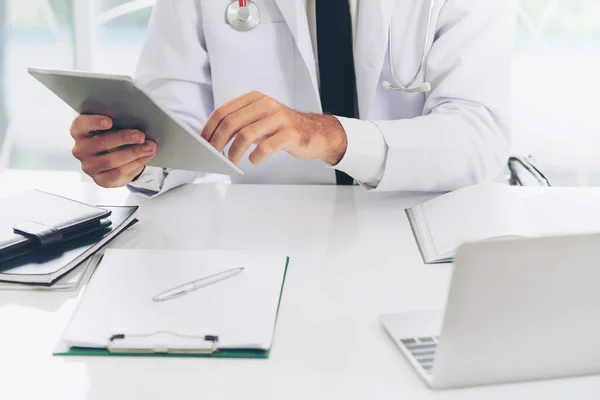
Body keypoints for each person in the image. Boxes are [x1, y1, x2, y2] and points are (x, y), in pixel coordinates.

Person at [69, 0, 517, 196]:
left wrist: (332, 136)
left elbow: (479, 133)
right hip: (270, 235)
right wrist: (134, 156)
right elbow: (175, 121)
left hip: (425, 224)